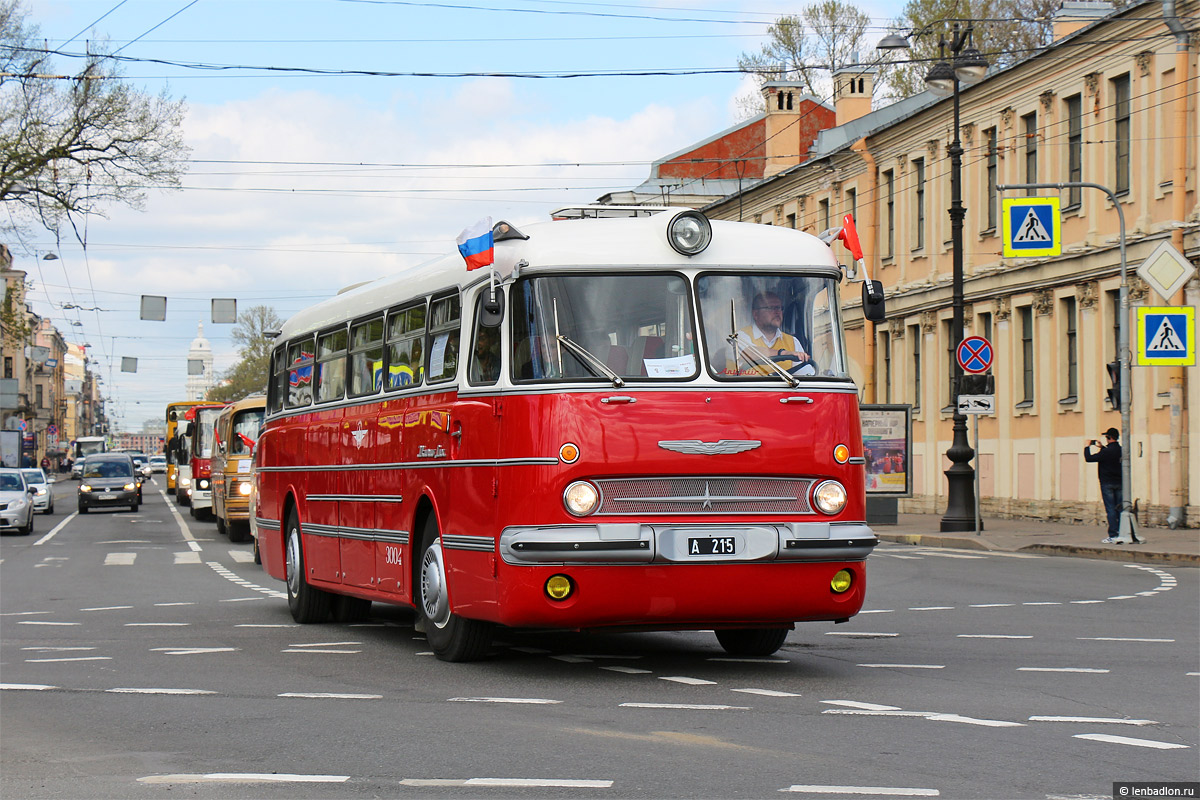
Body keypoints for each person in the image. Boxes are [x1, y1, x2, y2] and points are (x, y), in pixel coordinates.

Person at [727, 291, 814, 376]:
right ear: (755, 314)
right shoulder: (738, 337)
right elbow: (747, 353)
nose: (777, 312)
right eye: (771, 308)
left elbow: (805, 375)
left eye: (779, 308)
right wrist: (783, 353)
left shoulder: (793, 342)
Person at [1084, 428, 1123, 543]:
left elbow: (1089, 458)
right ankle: (1122, 532)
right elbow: (1111, 454)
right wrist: (1102, 448)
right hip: (1119, 482)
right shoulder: (1120, 450)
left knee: (1110, 509)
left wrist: (1087, 447)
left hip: (1107, 483)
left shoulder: (1106, 452)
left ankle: (1113, 535)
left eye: (1106, 437)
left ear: (1109, 438)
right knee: (1119, 508)